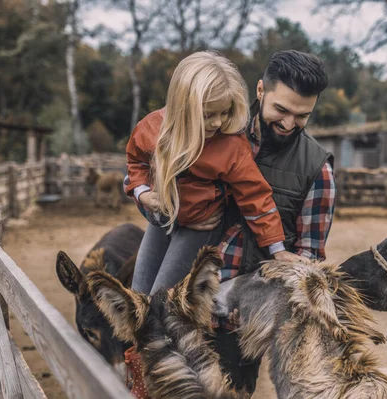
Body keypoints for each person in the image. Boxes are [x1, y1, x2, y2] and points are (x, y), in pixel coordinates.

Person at [126, 50, 336, 396]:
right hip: (186, 306)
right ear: (260, 91)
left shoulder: (316, 171)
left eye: (302, 116)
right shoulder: (212, 123)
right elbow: (142, 174)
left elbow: (308, 262)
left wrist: (278, 257)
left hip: (232, 324)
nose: (288, 123)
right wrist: (149, 200)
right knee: (149, 351)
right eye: (281, 110)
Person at [125, 51, 306, 298]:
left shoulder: (231, 146)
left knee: (161, 299)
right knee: (138, 292)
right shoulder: (152, 128)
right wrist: (142, 192)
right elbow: (135, 162)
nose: (218, 123)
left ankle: (161, 334)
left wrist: (276, 248)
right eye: (208, 114)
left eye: (224, 112)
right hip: (162, 219)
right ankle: (137, 336)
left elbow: (256, 196)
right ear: (182, 106)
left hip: (199, 226)